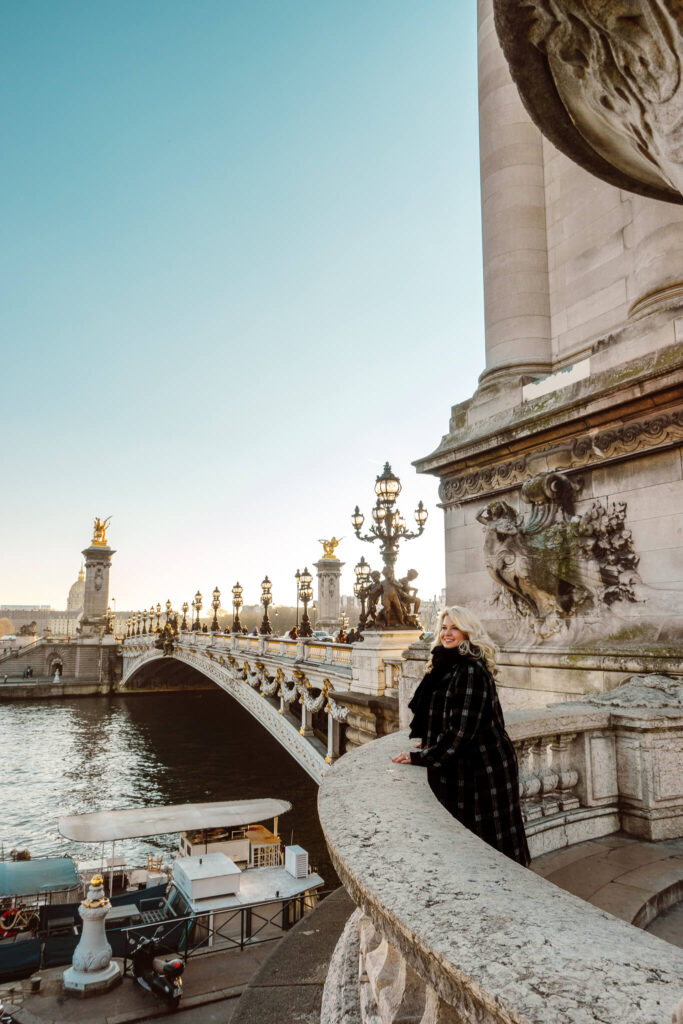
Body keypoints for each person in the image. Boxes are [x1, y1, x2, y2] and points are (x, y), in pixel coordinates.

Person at [392, 606, 530, 867]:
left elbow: (461, 732)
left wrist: (420, 756)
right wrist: (431, 738)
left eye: (454, 627)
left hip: (482, 771)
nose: (447, 633)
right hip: (469, 766)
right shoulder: (447, 663)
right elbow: (448, 715)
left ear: (468, 633)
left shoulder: (469, 670)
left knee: (490, 848)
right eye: (444, 627)